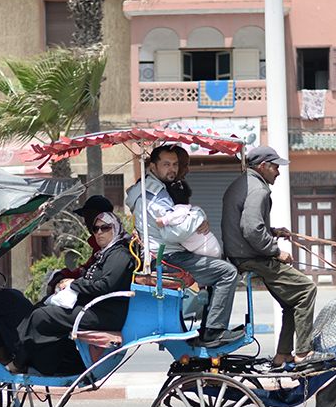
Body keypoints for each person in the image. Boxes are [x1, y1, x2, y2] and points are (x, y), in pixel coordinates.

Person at [125, 144, 241, 348]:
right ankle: (213, 332)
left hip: (168, 254)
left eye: (175, 164)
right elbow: (174, 232)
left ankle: (208, 328)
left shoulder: (156, 190)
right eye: (166, 164)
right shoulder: (153, 196)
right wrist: (198, 214)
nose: (172, 169)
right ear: (153, 166)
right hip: (167, 258)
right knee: (228, 272)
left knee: (219, 266)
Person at [221, 145, 317, 366]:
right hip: (251, 257)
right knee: (306, 289)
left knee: (292, 301)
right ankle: (303, 352)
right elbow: (251, 229)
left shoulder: (243, 183)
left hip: (242, 253)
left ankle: (283, 354)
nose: (278, 172)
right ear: (263, 166)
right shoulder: (259, 189)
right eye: (275, 167)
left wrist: (273, 232)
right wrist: (276, 251)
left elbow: (247, 225)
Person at [12, 212, 136, 375]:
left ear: (115, 229)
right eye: (95, 228)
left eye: (104, 228)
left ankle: (21, 362)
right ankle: (38, 359)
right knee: (40, 308)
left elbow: (106, 285)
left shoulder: (120, 255)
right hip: (94, 308)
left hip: (104, 313)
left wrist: (74, 284)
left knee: (42, 316)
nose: (99, 232)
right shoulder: (106, 253)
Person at [44, 194, 115, 294]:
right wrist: (64, 275)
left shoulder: (117, 249)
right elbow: (87, 269)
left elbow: (102, 282)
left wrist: (73, 282)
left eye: (104, 227)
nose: (87, 223)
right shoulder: (99, 246)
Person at [157, 180, 222, 258]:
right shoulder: (194, 210)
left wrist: (163, 220)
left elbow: (174, 217)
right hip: (211, 245)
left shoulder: (180, 210)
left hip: (204, 249)